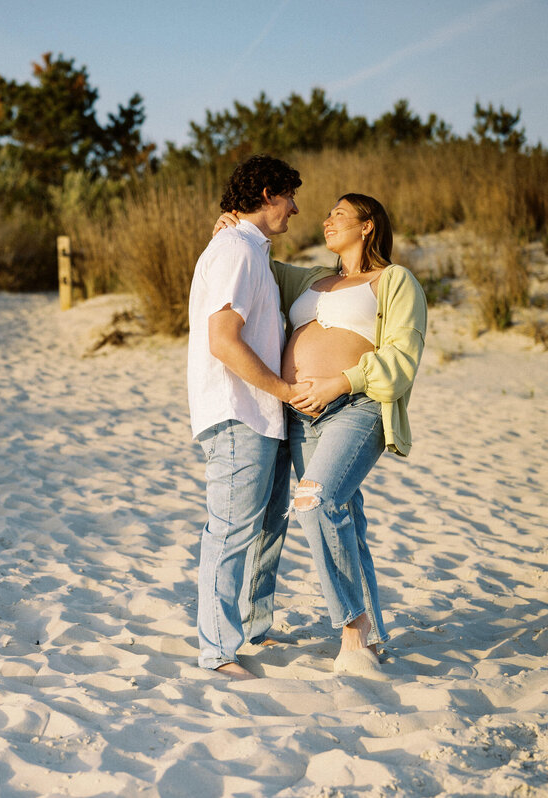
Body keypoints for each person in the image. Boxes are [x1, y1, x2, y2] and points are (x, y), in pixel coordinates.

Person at [214, 193, 426, 673]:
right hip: (296, 414)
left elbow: (401, 362)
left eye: (339, 214)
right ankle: (363, 636)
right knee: (335, 515)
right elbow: (252, 262)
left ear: (368, 225)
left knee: (316, 501)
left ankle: (353, 630)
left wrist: (339, 382)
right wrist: (234, 225)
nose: (326, 220)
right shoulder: (309, 279)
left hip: (358, 406)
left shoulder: (394, 282)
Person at [187, 155, 331, 681]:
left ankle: (253, 625)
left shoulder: (251, 250)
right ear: (268, 193)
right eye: (290, 196)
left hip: (263, 415)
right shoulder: (235, 250)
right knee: (229, 531)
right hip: (237, 413)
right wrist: (287, 391)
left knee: (268, 525)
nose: (295, 208)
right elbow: (222, 342)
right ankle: (218, 650)